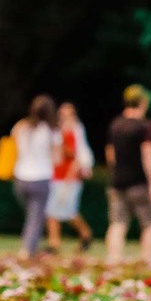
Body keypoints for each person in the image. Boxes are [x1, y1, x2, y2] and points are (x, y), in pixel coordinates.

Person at [105, 84, 151, 265]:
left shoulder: (115, 125)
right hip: (140, 183)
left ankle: (113, 259)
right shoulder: (145, 126)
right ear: (142, 102)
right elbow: (149, 154)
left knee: (118, 223)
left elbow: (110, 154)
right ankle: (147, 258)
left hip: (117, 181)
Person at [11, 95, 61, 259]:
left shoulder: (21, 126)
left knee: (31, 215)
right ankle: (27, 250)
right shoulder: (51, 131)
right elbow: (57, 158)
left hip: (20, 176)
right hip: (41, 177)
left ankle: (29, 244)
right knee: (36, 217)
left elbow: (12, 148)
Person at [45, 101, 95, 253]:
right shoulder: (57, 132)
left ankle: (84, 234)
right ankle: (55, 243)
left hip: (68, 179)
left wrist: (69, 179)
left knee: (66, 212)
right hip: (56, 176)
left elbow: (76, 159)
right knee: (53, 211)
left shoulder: (74, 134)